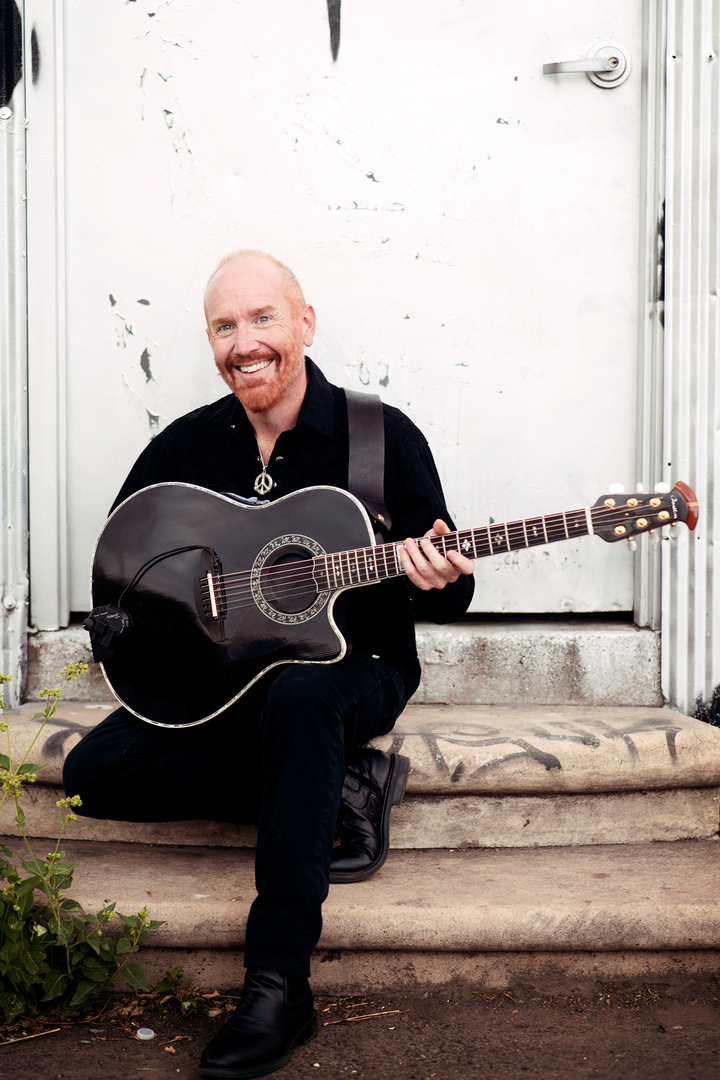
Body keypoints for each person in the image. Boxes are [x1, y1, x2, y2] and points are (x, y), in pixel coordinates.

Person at [63, 250, 475, 1079]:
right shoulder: (185, 447)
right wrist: (157, 632)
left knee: (301, 702)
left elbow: (451, 591)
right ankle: (342, 789)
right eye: (225, 326)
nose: (244, 343)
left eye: (262, 319)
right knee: (93, 773)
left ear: (305, 324)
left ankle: (279, 983)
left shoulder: (379, 437)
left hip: (353, 668)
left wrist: (435, 573)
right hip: (229, 681)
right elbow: (122, 577)